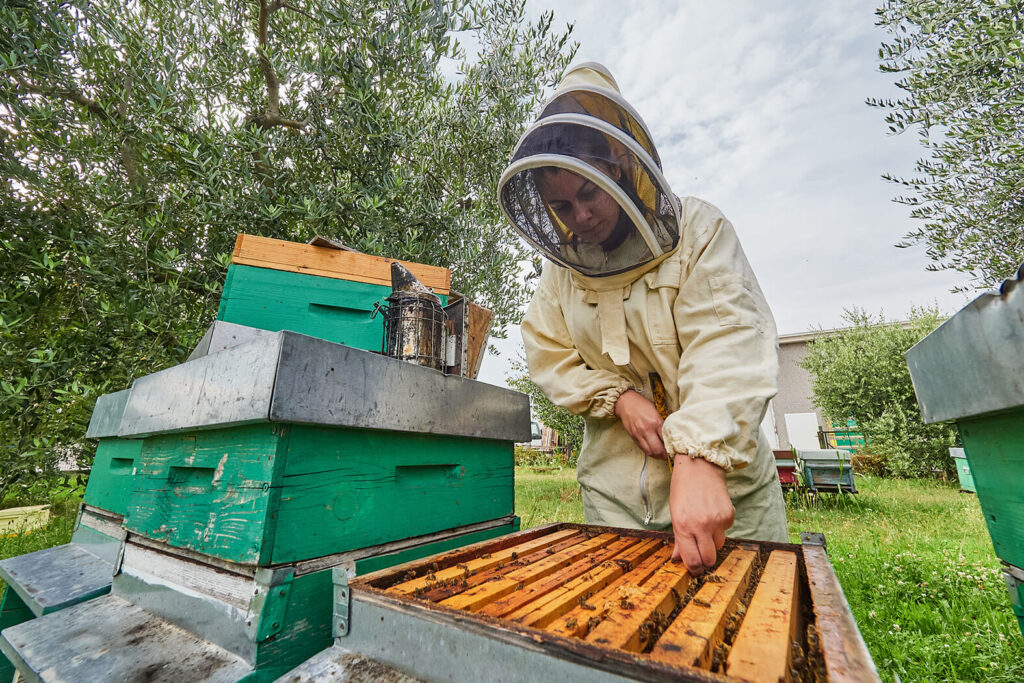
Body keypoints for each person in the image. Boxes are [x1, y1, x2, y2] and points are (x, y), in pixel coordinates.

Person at [497, 62, 787, 575]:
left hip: (725, 496)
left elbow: (727, 341)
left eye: (589, 193)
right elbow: (548, 353)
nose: (580, 217)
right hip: (616, 501)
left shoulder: (699, 231)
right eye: (561, 205)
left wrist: (701, 456)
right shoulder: (560, 274)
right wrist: (619, 397)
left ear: (621, 164)